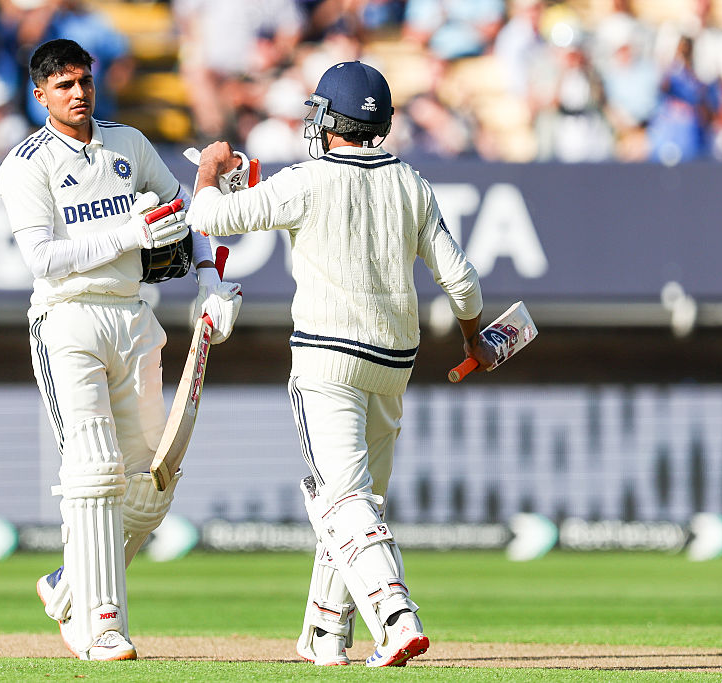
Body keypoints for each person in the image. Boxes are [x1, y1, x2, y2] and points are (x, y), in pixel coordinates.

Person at [186, 61, 496, 667]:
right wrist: (472, 338)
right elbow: (461, 280)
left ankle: (395, 615)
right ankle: (326, 634)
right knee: (358, 502)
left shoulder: (307, 179)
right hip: (392, 361)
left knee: (339, 500)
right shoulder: (412, 183)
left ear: (330, 120)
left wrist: (207, 171)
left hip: (329, 358)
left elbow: (206, 219)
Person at [0, 39, 242, 662]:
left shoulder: (128, 144)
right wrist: (126, 233)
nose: (78, 94)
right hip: (67, 319)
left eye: (83, 81)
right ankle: (101, 625)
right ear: (40, 94)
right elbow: (43, 259)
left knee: (152, 484)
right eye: (63, 85)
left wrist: (211, 282)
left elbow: (188, 214)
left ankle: (71, 583)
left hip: (134, 316)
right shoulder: (26, 164)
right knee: (95, 471)